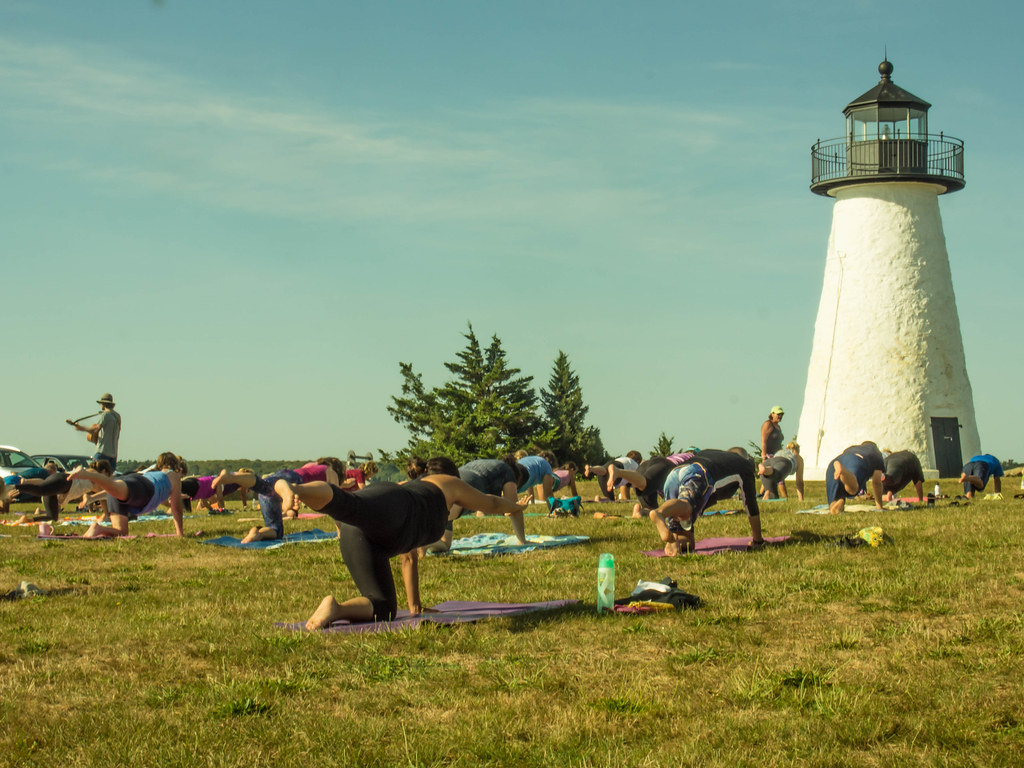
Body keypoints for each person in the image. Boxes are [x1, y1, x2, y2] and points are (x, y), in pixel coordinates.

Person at [279, 457, 531, 629]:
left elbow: (408, 558)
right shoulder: (447, 483)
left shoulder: (419, 500)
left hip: (361, 535)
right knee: (348, 504)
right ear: (452, 475)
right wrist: (517, 506)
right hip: (390, 507)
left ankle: (337, 609)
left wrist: (415, 608)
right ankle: (293, 488)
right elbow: (493, 503)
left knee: (384, 608)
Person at [648, 448, 765, 556]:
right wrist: (758, 540)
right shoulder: (743, 465)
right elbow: (751, 505)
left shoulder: (714, 454)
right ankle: (659, 512)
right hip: (699, 473)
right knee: (686, 506)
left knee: (687, 539)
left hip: (675, 472)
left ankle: (675, 541)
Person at [212, 458, 344, 542]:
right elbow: (336, 505)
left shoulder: (312, 464)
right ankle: (286, 492)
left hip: (275, 480)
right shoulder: (331, 471)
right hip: (291, 480)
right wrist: (340, 532)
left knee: (275, 529)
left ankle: (257, 533)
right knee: (279, 485)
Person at [421, 456, 530, 554]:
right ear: (518, 479)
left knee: (445, 543)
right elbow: (510, 508)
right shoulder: (508, 471)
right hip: (466, 487)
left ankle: (422, 544)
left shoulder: (488, 464)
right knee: (442, 514)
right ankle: (421, 541)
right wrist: (522, 540)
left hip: (453, 484)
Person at [67, 452, 186, 537]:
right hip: (144, 489)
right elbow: (177, 508)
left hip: (134, 485)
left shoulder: (155, 474)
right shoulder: (173, 476)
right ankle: (87, 474)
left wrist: (92, 497)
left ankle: (98, 528)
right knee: (115, 487)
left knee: (121, 532)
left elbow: (164, 501)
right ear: (175, 465)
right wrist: (180, 533)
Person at [10, 460, 113, 523]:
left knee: (52, 517)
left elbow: (93, 493)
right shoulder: (96, 476)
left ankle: (28, 520)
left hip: (60, 483)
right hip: (63, 481)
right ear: (104, 472)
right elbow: (103, 497)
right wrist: (107, 515)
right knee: (41, 490)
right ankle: (12, 487)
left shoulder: (90, 475)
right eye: (108, 476)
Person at [826, 441, 885, 514]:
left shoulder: (853, 448)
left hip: (837, 460)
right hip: (856, 459)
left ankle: (836, 506)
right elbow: (876, 482)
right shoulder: (876, 453)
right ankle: (843, 471)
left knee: (835, 500)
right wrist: (880, 507)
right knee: (852, 489)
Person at [67, 393, 121, 471]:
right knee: (106, 480)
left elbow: (95, 429)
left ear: (103, 404)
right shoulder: (117, 416)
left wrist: (80, 428)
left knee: (93, 476)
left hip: (102, 453)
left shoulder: (105, 415)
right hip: (113, 455)